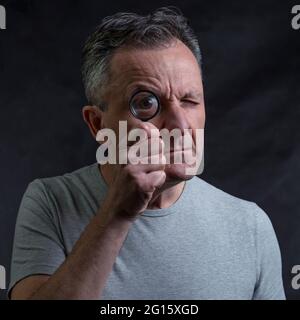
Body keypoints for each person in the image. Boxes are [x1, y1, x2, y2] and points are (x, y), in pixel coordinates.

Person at [9, 7, 285, 300]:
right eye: (146, 103)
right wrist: (118, 213)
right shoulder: (51, 202)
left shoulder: (250, 226)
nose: (180, 125)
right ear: (98, 124)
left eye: (190, 100)